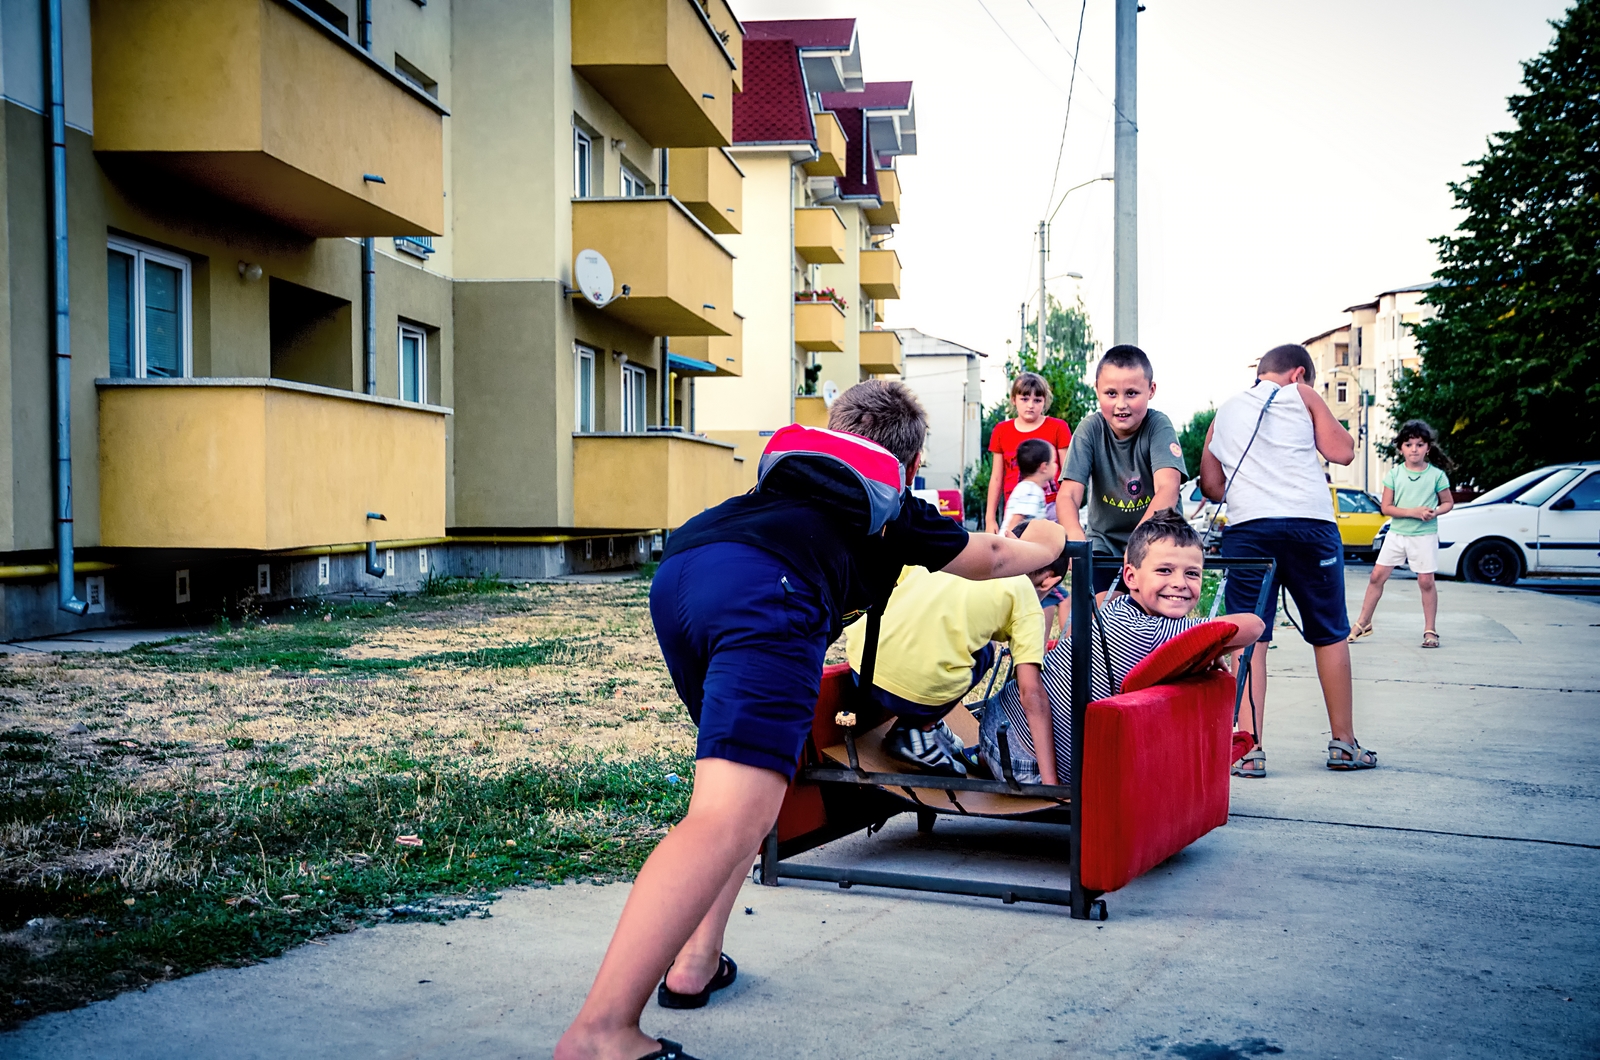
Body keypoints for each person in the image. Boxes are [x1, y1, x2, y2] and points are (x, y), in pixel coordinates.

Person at [555, 380, 1067, 1060]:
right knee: (726, 816)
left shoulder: (784, 484)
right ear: (909, 467)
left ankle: (696, 961)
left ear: (829, 433)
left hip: (683, 575)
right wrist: (1049, 540)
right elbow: (997, 558)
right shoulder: (894, 510)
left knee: (741, 799)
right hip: (770, 592)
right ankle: (601, 1033)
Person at [977, 509, 1265, 784]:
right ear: (1131, 577)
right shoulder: (1151, 630)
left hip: (1001, 722)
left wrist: (1208, 648)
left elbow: (1106, 595)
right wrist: (1212, 647)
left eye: (1192, 574)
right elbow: (1254, 625)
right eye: (1164, 571)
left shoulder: (1120, 607)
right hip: (1019, 755)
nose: (1179, 583)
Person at [1200, 343, 1377, 779]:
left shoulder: (1225, 411)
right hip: (1309, 527)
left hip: (1248, 531)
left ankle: (1249, 749)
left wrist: (1255, 489)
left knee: (1249, 639)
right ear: (1299, 373)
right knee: (1330, 632)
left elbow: (1210, 484)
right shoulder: (1302, 393)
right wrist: (1313, 404)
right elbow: (1343, 451)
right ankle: (1344, 744)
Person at [844, 518, 1065, 776]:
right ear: (1049, 581)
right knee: (984, 655)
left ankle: (927, 725)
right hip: (907, 694)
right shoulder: (1025, 594)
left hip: (861, 667)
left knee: (962, 641)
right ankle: (917, 732)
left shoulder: (964, 549)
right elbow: (1031, 694)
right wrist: (1051, 780)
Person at [1059, 345, 1187, 594]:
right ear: (1096, 390)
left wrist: (1138, 543)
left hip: (1157, 541)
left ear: (1151, 390)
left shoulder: (1158, 426)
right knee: (1100, 612)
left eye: (1131, 393)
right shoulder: (1090, 430)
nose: (1121, 404)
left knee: (1153, 617)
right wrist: (1075, 535)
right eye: (1110, 393)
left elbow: (1168, 488)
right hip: (1104, 544)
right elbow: (1068, 494)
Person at [1349, 420, 1454, 648]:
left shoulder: (1436, 476)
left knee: (1426, 581)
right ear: (1401, 448)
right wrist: (1413, 512)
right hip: (1397, 534)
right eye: (1409, 444)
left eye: (1419, 444)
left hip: (1424, 536)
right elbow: (1386, 508)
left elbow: (1448, 503)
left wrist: (1434, 512)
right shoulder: (1395, 474)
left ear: (1428, 447)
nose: (1414, 449)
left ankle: (1430, 630)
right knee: (1377, 576)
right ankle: (1363, 622)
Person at [984, 371, 1074, 534]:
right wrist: (990, 519)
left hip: (1054, 508)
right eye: (1025, 399)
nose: (1030, 405)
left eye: (1037, 400)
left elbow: (1068, 474)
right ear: (1014, 400)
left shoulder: (1058, 428)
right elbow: (996, 478)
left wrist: (1069, 513)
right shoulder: (1001, 431)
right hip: (1018, 508)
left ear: (1044, 401)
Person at [1001, 438, 1058, 533]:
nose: (1056, 466)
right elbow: (1016, 521)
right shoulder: (1031, 490)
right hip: (1014, 545)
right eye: (1053, 462)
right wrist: (1009, 544)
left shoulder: (1026, 488)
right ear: (1044, 467)